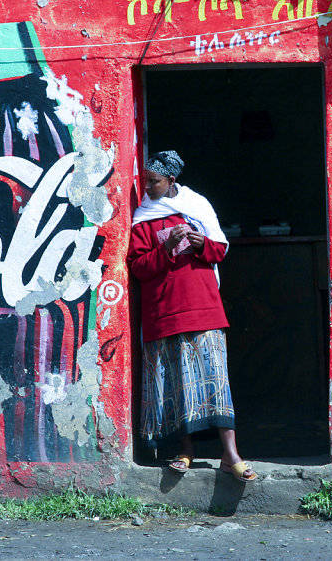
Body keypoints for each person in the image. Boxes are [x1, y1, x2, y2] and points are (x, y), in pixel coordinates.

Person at [128, 150, 256, 482]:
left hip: (204, 310)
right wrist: (166, 247)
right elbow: (139, 268)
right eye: (146, 181)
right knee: (175, 384)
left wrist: (201, 244)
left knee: (215, 382)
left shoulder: (197, 208)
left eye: (154, 182)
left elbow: (220, 250)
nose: (148, 187)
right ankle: (185, 451)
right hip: (164, 313)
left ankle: (231, 455)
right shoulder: (144, 219)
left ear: (171, 180)